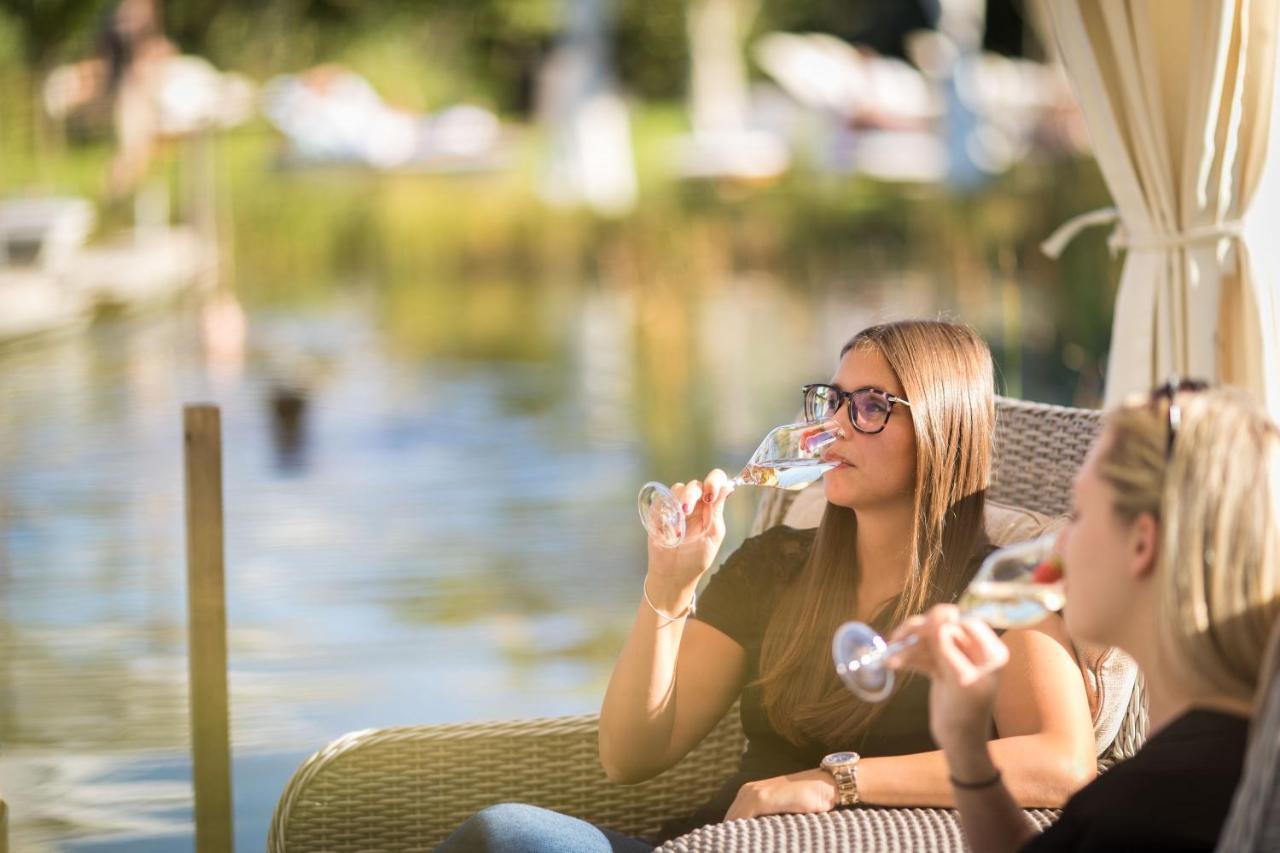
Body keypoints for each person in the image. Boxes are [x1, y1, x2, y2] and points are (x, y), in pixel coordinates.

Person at [436, 320, 1095, 852]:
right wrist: (667, 590)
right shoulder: (774, 566)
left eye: (870, 406)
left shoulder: (995, 594)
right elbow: (630, 754)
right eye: (832, 401)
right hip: (710, 843)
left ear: (942, 428)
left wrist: (836, 782)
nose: (834, 424)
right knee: (505, 836)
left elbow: (1062, 762)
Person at [891, 381, 1280, 852]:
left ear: (1142, 543)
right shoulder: (1236, 758)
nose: (1058, 547)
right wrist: (967, 751)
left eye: (1077, 515)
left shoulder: (1142, 813)